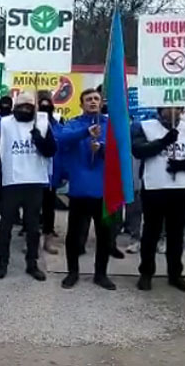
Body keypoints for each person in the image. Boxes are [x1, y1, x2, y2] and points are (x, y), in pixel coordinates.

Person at [131, 106, 185, 292]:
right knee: (151, 233)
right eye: (168, 108)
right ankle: (146, 273)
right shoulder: (145, 126)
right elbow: (138, 150)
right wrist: (163, 142)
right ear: (160, 109)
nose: (173, 111)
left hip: (180, 187)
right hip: (154, 186)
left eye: (177, 108)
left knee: (176, 234)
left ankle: (175, 274)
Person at [0, 92, 56, 281]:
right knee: (5, 226)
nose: (26, 108)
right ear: (15, 106)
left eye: (29, 105)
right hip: (11, 181)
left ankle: (32, 264)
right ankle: (2, 263)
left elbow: (51, 150)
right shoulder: (5, 123)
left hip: (34, 181)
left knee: (33, 227)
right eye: (22, 105)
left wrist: (40, 139)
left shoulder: (42, 122)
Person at [57, 88, 116, 290]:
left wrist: (102, 149)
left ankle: (101, 274)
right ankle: (72, 272)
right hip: (80, 189)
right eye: (88, 99)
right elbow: (62, 139)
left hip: (104, 190)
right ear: (81, 104)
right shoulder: (74, 124)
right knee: (74, 235)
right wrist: (85, 133)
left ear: (101, 103)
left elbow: (118, 153)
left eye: (96, 99)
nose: (92, 102)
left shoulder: (110, 125)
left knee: (104, 235)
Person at [37, 91, 61, 254]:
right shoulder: (31, 124)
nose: (45, 106)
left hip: (51, 173)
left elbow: (62, 148)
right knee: (32, 209)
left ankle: (48, 239)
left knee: (49, 208)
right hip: (34, 172)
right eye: (42, 103)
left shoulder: (57, 123)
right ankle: (31, 240)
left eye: (48, 103)